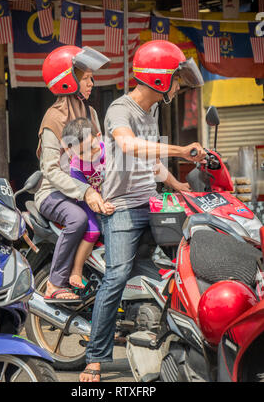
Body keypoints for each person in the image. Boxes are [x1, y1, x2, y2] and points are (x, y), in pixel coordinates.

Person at [79, 39, 206, 382]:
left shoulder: (152, 110)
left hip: (150, 202)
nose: (179, 86)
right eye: (177, 79)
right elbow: (127, 144)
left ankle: (173, 342)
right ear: (160, 79)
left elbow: (147, 158)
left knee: (177, 268)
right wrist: (180, 150)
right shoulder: (121, 109)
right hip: (121, 208)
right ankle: (95, 358)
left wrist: (176, 185)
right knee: (117, 276)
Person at [34, 45, 110, 302]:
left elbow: (101, 153)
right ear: (69, 80)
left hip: (88, 190)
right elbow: (50, 170)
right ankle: (54, 284)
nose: (91, 83)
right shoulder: (52, 119)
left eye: (91, 77)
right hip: (53, 195)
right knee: (77, 219)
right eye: (86, 77)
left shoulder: (91, 113)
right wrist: (85, 191)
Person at [62, 117, 115, 288]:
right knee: (93, 232)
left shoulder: (111, 152)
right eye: (81, 152)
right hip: (87, 201)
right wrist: (100, 206)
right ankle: (76, 270)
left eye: (90, 148)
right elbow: (83, 193)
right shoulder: (76, 166)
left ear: (98, 136)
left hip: (110, 197)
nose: (88, 155)